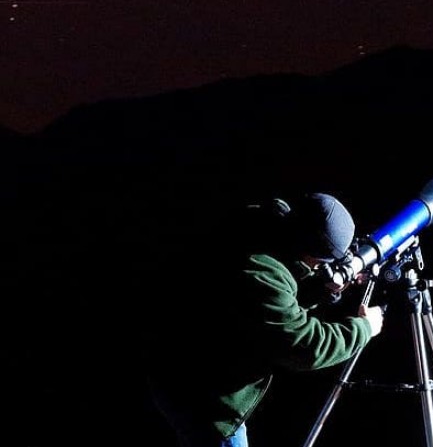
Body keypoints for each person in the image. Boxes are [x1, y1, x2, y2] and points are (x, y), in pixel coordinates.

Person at [143, 191, 385, 447]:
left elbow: (266, 303)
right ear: (310, 249)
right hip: (205, 398)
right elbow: (304, 345)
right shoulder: (260, 271)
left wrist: (321, 289)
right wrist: (363, 328)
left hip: (180, 370)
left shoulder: (264, 226)